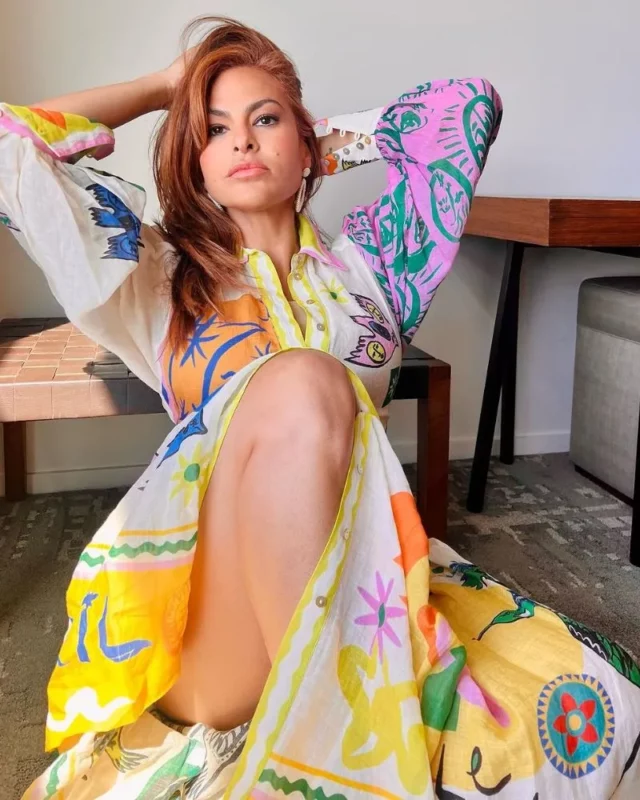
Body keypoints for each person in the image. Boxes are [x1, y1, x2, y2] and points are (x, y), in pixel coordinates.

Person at [1, 14, 638, 800]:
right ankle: (344, 749)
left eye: (264, 120)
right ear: (195, 163)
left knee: (592, 701)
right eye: (214, 129)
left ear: (308, 145)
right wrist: (169, 86)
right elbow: (9, 147)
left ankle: (338, 741)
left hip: (366, 586)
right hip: (212, 617)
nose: (241, 141)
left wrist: (313, 140)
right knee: (303, 377)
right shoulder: (153, 278)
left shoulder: (373, 274)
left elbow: (464, 110)